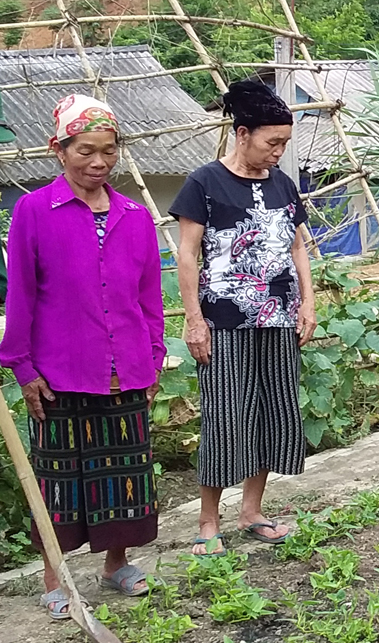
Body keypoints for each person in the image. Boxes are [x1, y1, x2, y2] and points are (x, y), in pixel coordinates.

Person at [0, 94, 164, 617]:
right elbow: (20, 294)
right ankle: (57, 578)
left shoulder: (134, 215)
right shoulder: (33, 210)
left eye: (109, 152)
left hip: (126, 369)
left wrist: (153, 356)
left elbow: (148, 297)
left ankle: (116, 564)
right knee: (59, 479)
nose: (98, 163)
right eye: (86, 151)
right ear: (59, 149)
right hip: (58, 371)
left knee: (125, 470)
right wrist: (22, 367)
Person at [169, 80, 316, 556]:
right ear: (242, 132)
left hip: (278, 319)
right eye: (272, 142)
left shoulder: (282, 185)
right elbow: (186, 257)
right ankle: (208, 521)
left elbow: (298, 247)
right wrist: (194, 320)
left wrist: (308, 302)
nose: (279, 152)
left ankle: (252, 512)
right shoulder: (204, 183)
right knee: (224, 415)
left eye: (284, 144)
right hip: (223, 322)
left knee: (273, 412)